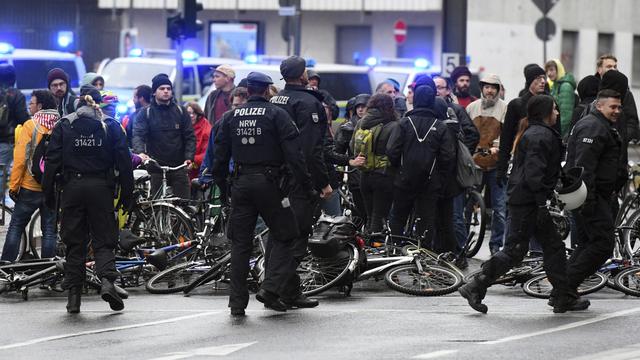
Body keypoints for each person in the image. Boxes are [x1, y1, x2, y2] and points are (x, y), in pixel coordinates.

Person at [459, 95, 582, 314]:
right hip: (528, 203)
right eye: (554, 109)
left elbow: (542, 168)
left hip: (528, 201)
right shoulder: (539, 135)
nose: (557, 113)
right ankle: (476, 285)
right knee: (516, 250)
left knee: (553, 247)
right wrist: (541, 202)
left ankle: (564, 296)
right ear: (545, 113)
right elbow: (534, 173)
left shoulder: (539, 133)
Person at [212, 71, 315, 316]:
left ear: (247, 91)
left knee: (240, 244)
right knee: (286, 235)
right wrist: (306, 186)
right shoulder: (277, 115)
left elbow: (219, 160)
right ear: (268, 90)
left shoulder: (230, 117)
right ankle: (270, 288)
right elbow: (295, 155)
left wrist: (225, 188)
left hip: (240, 184)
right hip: (271, 185)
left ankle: (237, 303)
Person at [42, 85, 134, 313]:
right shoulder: (110, 125)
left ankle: (74, 299)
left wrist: (48, 193)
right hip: (101, 189)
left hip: (72, 188)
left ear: (77, 102)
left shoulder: (65, 124)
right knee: (104, 239)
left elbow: (52, 161)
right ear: (98, 102)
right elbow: (123, 162)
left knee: (75, 243)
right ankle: (107, 282)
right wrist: (127, 193)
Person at [269, 56, 331, 309]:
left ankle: (290, 291)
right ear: (301, 74)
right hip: (297, 179)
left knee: (279, 234)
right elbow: (310, 149)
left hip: (274, 177)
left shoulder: (275, 100)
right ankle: (273, 288)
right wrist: (322, 182)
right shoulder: (308, 103)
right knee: (297, 235)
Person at [564, 89, 626, 310]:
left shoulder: (601, 126)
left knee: (589, 244)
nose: (617, 111)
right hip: (589, 197)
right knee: (602, 245)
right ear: (599, 105)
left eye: (619, 107)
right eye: (613, 107)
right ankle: (564, 290)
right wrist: (588, 202)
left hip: (595, 196)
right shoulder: (592, 126)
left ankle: (564, 292)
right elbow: (584, 168)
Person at [386, 75, 455, 240]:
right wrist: (439, 177)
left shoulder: (404, 123)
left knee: (398, 218)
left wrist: (398, 170)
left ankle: (395, 251)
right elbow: (447, 156)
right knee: (426, 222)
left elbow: (392, 150)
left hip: (404, 181)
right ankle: (423, 255)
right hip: (429, 184)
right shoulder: (440, 127)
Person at [1, 90, 59, 261]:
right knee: (49, 230)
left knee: (16, 226)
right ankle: (47, 272)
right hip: (52, 187)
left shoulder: (30, 126)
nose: (29, 106)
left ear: (40, 106)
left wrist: (14, 186)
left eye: (31, 103)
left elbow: (20, 160)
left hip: (30, 186)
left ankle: (7, 265)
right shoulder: (61, 125)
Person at [132, 74, 196, 199]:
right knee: (156, 208)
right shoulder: (146, 113)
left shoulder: (181, 111)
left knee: (184, 207)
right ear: (154, 92)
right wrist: (141, 153)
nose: (166, 91)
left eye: (168, 88)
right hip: (156, 167)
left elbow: (190, 137)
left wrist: (189, 158)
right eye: (162, 88)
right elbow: (138, 135)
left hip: (179, 167)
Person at [466, 74, 508, 255]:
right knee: (467, 206)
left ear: (499, 89)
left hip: (496, 165)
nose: (490, 90)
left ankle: (495, 246)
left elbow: (508, 135)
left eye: (494, 87)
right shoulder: (471, 108)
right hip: (474, 164)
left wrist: (498, 147)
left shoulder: (505, 109)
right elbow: (465, 133)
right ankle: (462, 242)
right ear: (482, 88)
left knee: (499, 208)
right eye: (487, 87)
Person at [350, 94, 398, 233]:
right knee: (379, 216)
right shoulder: (393, 125)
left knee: (370, 216)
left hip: (364, 175)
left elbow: (353, 146)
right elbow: (394, 152)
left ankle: (366, 246)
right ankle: (376, 248)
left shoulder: (361, 122)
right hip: (384, 176)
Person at [334, 93, 369, 224]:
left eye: (364, 106)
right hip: (355, 176)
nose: (360, 109)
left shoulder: (378, 125)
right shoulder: (347, 127)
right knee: (359, 212)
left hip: (373, 175)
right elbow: (337, 153)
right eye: (358, 106)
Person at [594, 54, 639, 143]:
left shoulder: (625, 93)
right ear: (599, 69)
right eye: (609, 66)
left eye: (615, 66)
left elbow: (632, 121)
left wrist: (621, 138)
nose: (613, 69)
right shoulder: (591, 88)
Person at [0, 64, 30, 190]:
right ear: (13, 78)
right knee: (3, 174)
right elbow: (23, 118)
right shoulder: (16, 95)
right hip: (8, 141)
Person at [545, 59, 576, 136]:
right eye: (547, 71)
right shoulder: (555, 85)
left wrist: (560, 136)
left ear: (559, 70)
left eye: (552, 70)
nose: (549, 73)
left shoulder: (565, 87)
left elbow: (566, 115)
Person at [186, 102, 211, 182]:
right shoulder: (184, 127)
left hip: (202, 170)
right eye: (189, 113)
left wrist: (192, 162)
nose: (192, 116)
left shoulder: (206, 129)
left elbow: (207, 153)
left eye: (194, 113)